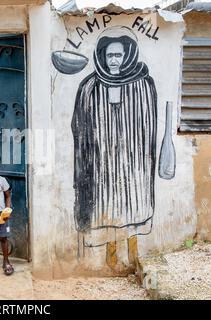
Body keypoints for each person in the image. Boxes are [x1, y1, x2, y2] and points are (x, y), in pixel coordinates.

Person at [72, 26, 158, 270]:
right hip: (103, 163)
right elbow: (79, 124)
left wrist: (137, 153)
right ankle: (111, 256)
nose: (114, 60)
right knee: (108, 206)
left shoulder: (143, 83)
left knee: (133, 205)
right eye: (109, 55)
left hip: (135, 161)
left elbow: (149, 122)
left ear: (128, 54)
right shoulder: (90, 86)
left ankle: (133, 254)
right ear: (102, 56)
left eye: (118, 55)